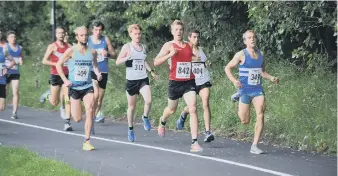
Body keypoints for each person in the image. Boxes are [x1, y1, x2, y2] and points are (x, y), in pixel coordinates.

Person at [224, 30, 279, 154]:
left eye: (254, 37)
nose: (252, 39)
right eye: (249, 38)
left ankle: (254, 145)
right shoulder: (241, 55)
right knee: (245, 121)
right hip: (244, 90)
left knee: (261, 113)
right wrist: (234, 81)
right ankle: (238, 96)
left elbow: (262, 72)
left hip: (257, 90)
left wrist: (271, 78)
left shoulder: (261, 54)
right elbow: (227, 68)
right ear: (245, 41)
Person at [154, 20, 203, 152]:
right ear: (172, 32)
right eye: (176, 30)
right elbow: (156, 62)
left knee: (193, 108)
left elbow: (190, 57)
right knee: (171, 110)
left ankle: (194, 142)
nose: (179, 32)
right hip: (175, 82)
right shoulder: (168, 45)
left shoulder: (188, 45)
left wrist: (196, 59)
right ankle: (162, 121)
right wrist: (170, 54)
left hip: (188, 81)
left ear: (183, 31)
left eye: (181, 29)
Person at [56, 26, 102, 151]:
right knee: (77, 119)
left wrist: (98, 74)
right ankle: (67, 100)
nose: (84, 37)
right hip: (74, 88)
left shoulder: (92, 52)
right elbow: (58, 65)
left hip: (87, 87)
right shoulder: (71, 51)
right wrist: (65, 80)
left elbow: (95, 66)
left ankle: (87, 141)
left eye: (86, 35)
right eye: (81, 35)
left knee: (89, 109)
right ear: (77, 37)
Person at [116, 24, 158, 142]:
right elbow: (118, 62)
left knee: (149, 100)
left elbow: (143, 61)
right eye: (135, 34)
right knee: (132, 107)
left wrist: (152, 72)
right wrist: (127, 58)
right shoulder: (127, 47)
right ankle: (130, 129)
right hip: (131, 81)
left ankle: (145, 117)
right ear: (130, 34)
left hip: (143, 79)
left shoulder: (143, 47)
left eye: (139, 33)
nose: (138, 36)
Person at [176, 30, 214, 143]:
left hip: (203, 80)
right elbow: (179, 62)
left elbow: (204, 63)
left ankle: (207, 132)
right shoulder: (185, 49)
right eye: (194, 37)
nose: (196, 39)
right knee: (193, 107)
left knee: (205, 103)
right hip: (190, 81)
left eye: (198, 37)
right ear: (189, 37)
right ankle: (184, 114)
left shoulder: (200, 50)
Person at [39, 27, 73, 131]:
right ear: (56, 35)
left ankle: (67, 122)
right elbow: (44, 60)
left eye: (63, 33)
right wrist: (57, 64)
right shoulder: (52, 46)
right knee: (54, 102)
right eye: (59, 33)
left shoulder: (70, 47)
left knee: (68, 97)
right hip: (55, 75)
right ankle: (48, 95)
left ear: (65, 34)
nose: (61, 35)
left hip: (66, 75)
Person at [87, 21, 116, 123]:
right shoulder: (88, 39)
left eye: (100, 30)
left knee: (100, 97)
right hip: (91, 70)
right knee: (95, 93)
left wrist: (107, 54)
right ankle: (92, 113)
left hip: (103, 70)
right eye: (96, 30)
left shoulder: (105, 39)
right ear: (92, 30)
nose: (98, 32)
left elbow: (114, 54)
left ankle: (95, 114)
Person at [4, 31, 23, 119]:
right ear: (7, 39)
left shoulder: (19, 47)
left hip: (15, 72)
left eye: (14, 37)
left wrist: (21, 60)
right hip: (5, 72)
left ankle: (14, 112)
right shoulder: (5, 47)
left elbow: (21, 58)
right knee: (4, 93)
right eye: (11, 37)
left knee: (15, 91)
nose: (13, 38)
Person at [0, 29, 15, 111]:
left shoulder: (3, 49)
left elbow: (13, 61)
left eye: (0, 34)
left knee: (2, 108)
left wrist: (7, 68)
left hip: (2, 79)